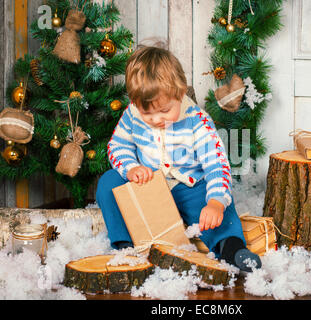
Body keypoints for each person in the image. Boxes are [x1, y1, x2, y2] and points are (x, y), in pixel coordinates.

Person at [96, 45, 261, 272]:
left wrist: (215, 202)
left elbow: (217, 164)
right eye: (148, 114)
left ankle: (231, 246)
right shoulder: (132, 114)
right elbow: (118, 145)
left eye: (164, 110)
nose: (155, 119)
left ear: (180, 93)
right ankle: (125, 245)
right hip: (148, 185)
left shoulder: (197, 120)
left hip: (188, 187)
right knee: (108, 182)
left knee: (218, 206)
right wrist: (131, 168)